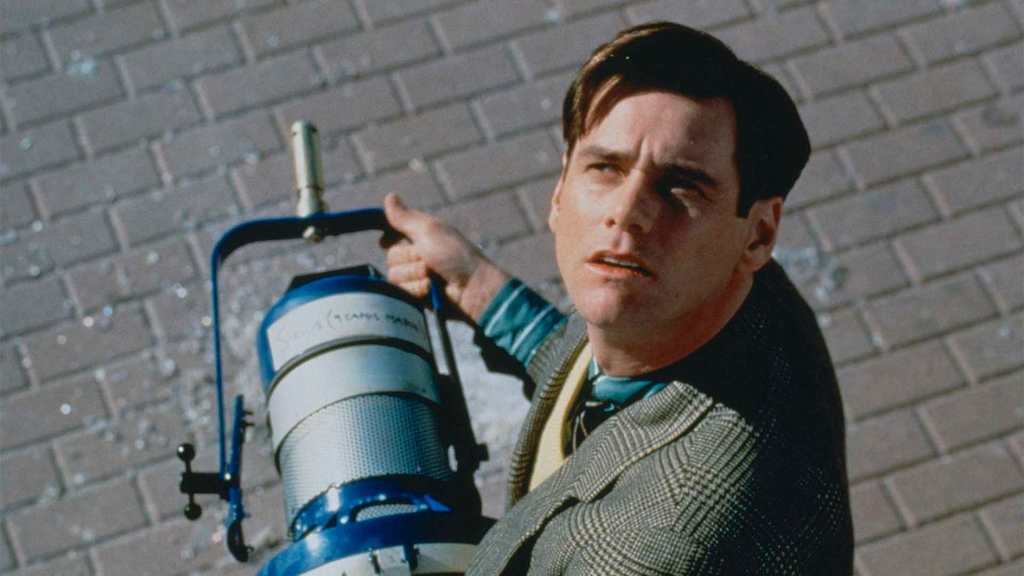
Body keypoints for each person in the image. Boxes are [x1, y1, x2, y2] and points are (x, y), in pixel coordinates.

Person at [381, 21, 853, 575]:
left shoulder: (653, 548)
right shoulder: (743, 293)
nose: (627, 213)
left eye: (682, 186)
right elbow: (609, 363)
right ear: (560, 189)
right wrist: (479, 288)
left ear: (759, 233)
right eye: (605, 167)